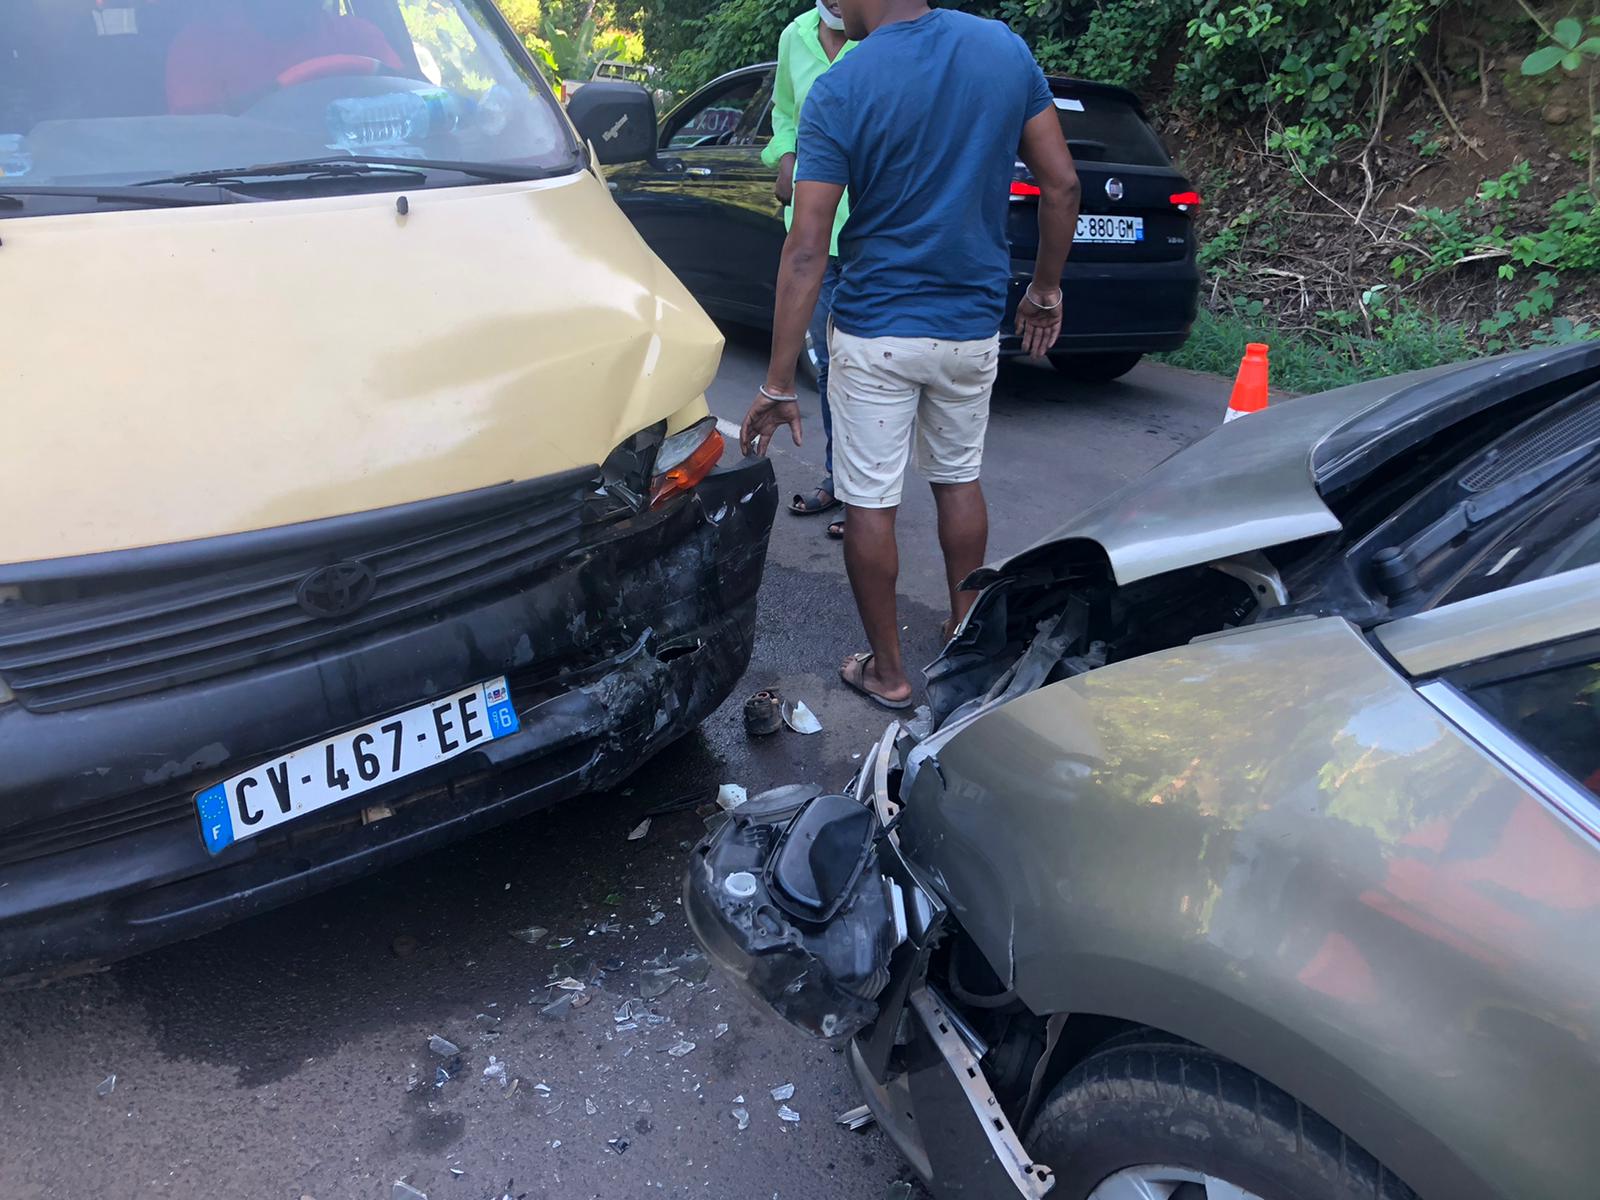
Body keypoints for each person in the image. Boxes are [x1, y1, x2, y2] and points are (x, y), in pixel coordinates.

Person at [739, 0, 1079, 709]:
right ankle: (963, 639)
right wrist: (1044, 288)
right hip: (970, 327)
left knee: (871, 502)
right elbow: (1063, 184)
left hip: (876, 329)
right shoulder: (1002, 50)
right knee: (958, 481)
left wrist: (776, 382)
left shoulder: (843, 85)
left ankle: (889, 673)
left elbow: (807, 246)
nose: (830, 7)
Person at [761, 0, 855, 535]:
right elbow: (785, 114)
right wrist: (787, 158)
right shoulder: (795, 36)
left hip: (868, 235)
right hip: (813, 228)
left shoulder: (880, 36)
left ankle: (864, 498)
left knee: (863, 369)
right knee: (828, 370)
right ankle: (840, 483)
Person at [167, 0, 404, 115]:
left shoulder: (358, 36)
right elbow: (197, 140)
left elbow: (414, 101)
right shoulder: (200, 46)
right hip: (242, 188)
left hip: (373, 183)